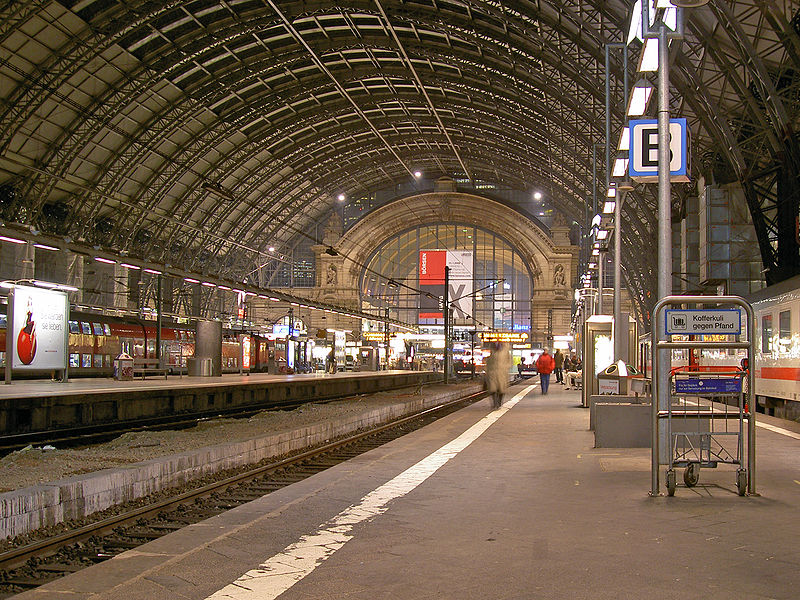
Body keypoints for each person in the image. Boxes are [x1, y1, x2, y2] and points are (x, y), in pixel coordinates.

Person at [484, 343, 512, 409]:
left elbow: (510, 361)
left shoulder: (506, 351)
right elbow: (489, 361)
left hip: (502, 373)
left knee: (501, 390)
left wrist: (505, 367)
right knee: (492, 389)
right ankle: (494, 404)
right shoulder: (492, 350)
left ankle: (499, 403)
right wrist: (487, 370)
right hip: (492, 373)